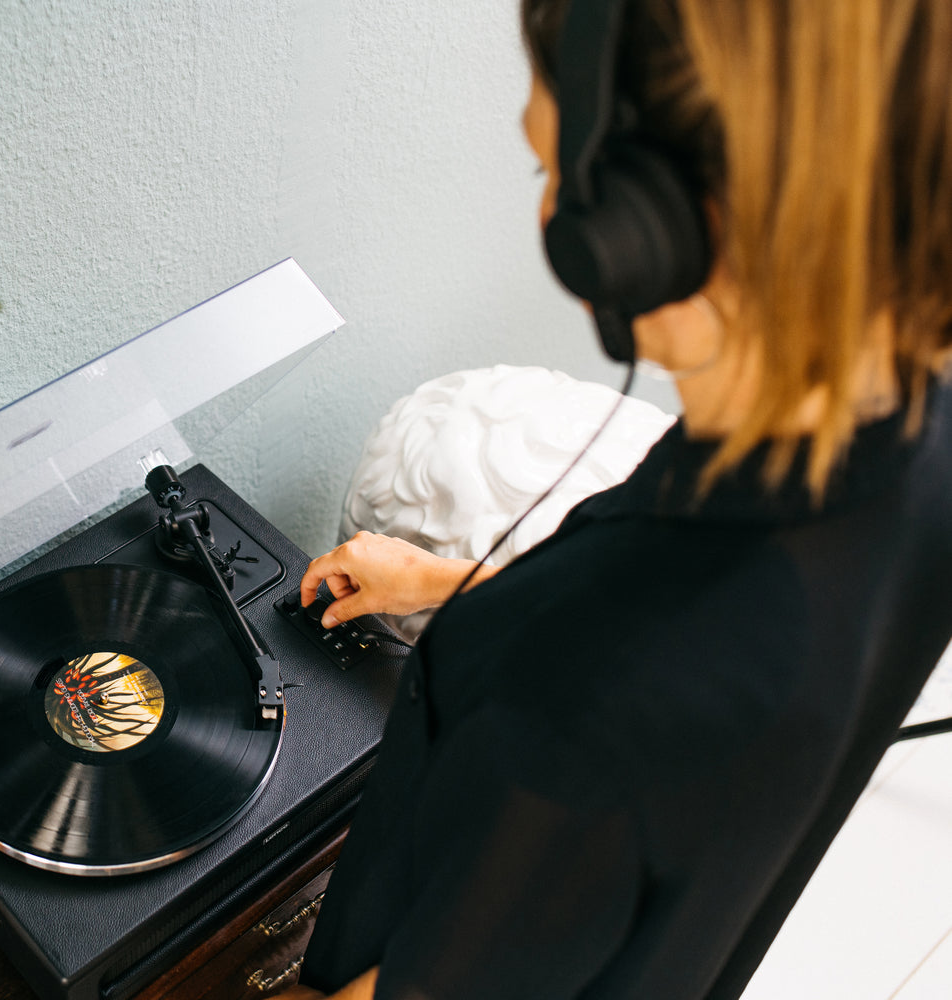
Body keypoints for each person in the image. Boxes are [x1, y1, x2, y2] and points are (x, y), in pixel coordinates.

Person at [278, 0, 952, 997]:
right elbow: (670, 687)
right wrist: (445, 582)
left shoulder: (594, 710)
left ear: (663, 223)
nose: (558, 225)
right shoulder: (901, 421)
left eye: (556, 176)